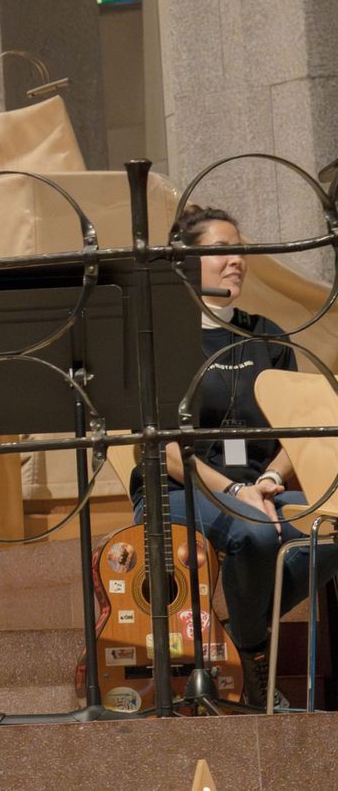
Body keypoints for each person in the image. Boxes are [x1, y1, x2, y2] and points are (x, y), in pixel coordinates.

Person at [130, 204, 338, 708]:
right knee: (255, 529)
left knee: (331, 527)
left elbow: (297, 428)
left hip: (261, 485)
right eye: (222, 251)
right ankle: (255, 652)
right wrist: (238, 492)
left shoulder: (265, 334)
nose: (237, 261)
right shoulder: (163, 337)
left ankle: (236, 622)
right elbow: (161, 448)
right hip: (184, 489)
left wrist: (267, 477)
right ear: (186, 263)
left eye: (239, 250)